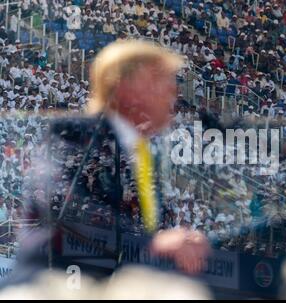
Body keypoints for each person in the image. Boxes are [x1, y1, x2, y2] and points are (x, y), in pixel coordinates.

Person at [8, 41, 210, 283]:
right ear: (128, 89)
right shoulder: (74, 132)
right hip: (55, 280)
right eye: (161, 82)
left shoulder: (144, 151)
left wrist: (180, 238)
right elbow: (61, 201)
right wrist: (155, 242)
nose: (173, 92)